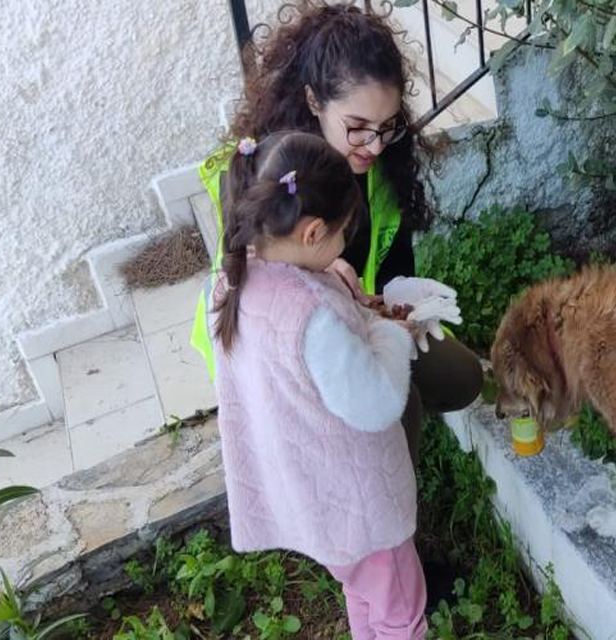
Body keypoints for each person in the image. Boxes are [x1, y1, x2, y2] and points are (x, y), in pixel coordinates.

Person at [190, 1, 482, 466]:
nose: (375, 145)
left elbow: (392, 268)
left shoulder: (386, 164)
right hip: (282, 349)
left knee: (459, 378)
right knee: (391, 408)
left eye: (388, 126)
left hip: (354, 319)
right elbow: (251, 293)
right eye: (358, 128)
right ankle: (376, 499)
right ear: (313, 102)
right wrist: (319, 277)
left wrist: (395, 307)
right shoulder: (270, 173)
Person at [211, 130, 458, 640]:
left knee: (361, 592)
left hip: (314, 503)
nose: (347, 242)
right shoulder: (313, 317)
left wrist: (344, 293)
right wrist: (391, 333)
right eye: (344, 231)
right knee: (399, 613)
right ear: (312, 232)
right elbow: (376, 403)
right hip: (360, 508)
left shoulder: (238, 278)